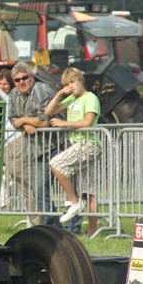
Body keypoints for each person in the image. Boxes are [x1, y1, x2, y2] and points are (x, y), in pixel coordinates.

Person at [45, 67, 102, 224]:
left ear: (81, 81)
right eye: (66, 84)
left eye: (72, 82)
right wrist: (59, 93)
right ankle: (90, 231)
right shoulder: (71, 99)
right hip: (77, 143)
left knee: (56, 164)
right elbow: (49, 111)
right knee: (86, 191)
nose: (70, 86)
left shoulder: (90, 98)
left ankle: (73, 202)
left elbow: (88, 122)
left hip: (89, 143)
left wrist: (64, 123)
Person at [5, 61, 58, 226]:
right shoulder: (14, 94)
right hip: (36, 149)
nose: (21, 82)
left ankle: (69, 228)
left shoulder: (41, 90)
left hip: (55, 145)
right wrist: (25, 125)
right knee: (39, 190)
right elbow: (12, 119)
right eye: (17, 80)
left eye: (24, 78)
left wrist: (23, 120)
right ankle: (52, 227)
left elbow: (44, 122)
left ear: (32, 77)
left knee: (68, 190)